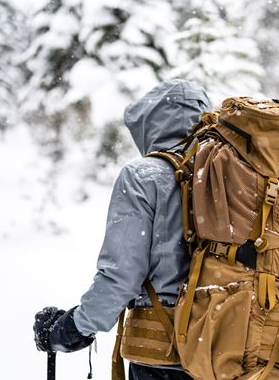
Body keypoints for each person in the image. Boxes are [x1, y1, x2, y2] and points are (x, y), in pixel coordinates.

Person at [33, 79, 212, 380]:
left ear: (151, 124)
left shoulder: (144, 176)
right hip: (231, 350)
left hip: (164, 356)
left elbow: (120, 277)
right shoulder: (233, 176)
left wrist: (72, 328)